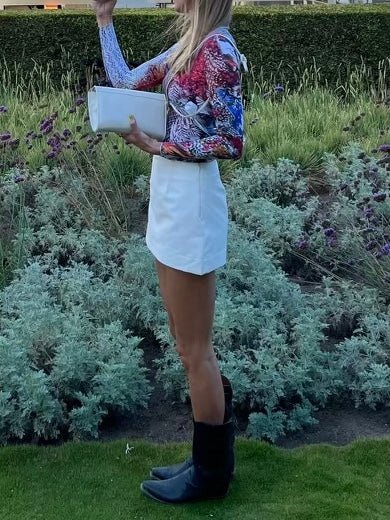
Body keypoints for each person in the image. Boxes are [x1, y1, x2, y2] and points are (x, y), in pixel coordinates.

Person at [91, 0, 245, 504]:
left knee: (194, 349)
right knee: (185, 341)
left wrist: (162, 148)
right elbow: (125, 81)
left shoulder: (217, 50)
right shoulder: (189, 45)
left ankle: (210, 475)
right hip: (172, 196)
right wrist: (104, 19)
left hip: (193, 202)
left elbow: (231, 140)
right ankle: (208, 458)